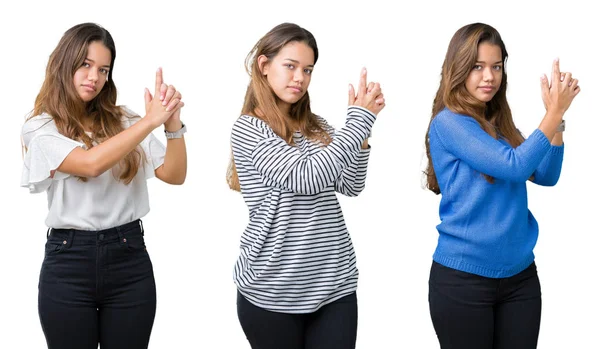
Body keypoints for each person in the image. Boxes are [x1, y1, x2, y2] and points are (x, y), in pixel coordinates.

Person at [20, 22, 187, 349]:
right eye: (85, 64)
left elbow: (173, 174)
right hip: (68, 263)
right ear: (63, 63)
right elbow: (91, 164)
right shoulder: (40, 127)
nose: (94, 77)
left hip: (129, 258)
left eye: (103, 69)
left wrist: (172, 125)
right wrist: (150, 121)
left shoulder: (123, 119)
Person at [226, 22, 385, 349]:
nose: (300, 77)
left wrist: (362, 134)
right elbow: (306, 177)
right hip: (271, 293)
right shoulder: (249, 128)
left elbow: (352, 184)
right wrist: (357, 122)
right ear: (264, 66)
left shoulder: (318, 126)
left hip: (334, 288)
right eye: (290, 66)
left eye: (308, 69)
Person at [424, 22, 580, 349]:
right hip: (464, 283)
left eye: (496, 66)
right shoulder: (449, 122)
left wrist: (557, 121)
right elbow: (515, 166)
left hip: (519, 279)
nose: (489, 76)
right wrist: (553, 112)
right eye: (477, 67)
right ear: (459, 68)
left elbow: (546, 174)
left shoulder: (497, 121)